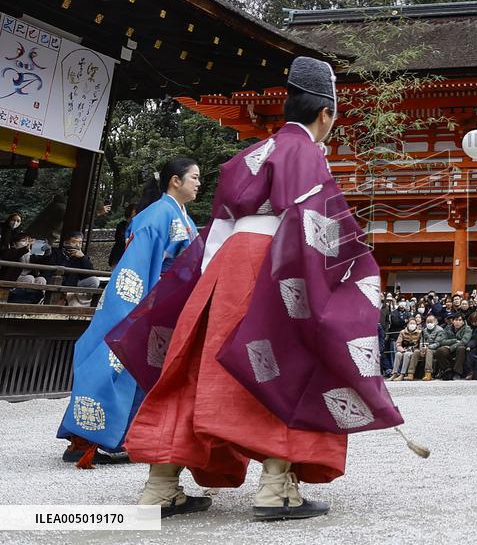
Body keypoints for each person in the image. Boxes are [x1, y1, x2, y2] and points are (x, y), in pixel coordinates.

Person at [109, 57, 403, 520]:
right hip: (277, 266)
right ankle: (276, 487)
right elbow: (314, 228)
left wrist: (203, 286)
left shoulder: (249, 154)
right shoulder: (307, 154)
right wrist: (340, 286)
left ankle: (161, 485)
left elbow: (219, 227)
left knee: (194, 367)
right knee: (287, 360)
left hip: (224, 265)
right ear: (325, 113)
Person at [56, 158, 199, 468]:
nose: (198, 183)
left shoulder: (182, 217)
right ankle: (105, 440)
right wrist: (136, 306)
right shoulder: (158, 214)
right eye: (194, 177)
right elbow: (138, 263)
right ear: (175, 180)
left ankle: (129, 436)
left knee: (146, 369)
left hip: (170, 301)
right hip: (149, 297)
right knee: (119, 363)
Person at [47, 231, 101, 307]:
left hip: (75, 283)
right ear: (66, 243)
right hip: (58, 282)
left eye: (80, 243)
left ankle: (77, 303)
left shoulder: (82, 256)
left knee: (94, 280)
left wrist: (83, 258)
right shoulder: (56, 252)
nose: (77, 245)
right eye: (74, 242)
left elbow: (90, 272)